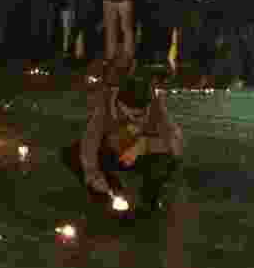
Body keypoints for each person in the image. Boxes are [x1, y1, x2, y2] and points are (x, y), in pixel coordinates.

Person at [65, 71, 183, 212]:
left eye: (142, 113)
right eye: (133, 114)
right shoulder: (105, 104)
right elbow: (89, 141)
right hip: (113, 152)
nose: (137, 117)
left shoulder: (154, 105)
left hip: (141, 156)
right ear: (120, 103)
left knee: (166, 162)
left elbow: (176, 141)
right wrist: (93, 176)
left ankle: (149, 197)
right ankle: (108, 193)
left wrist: (145, 144)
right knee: (72, 154)